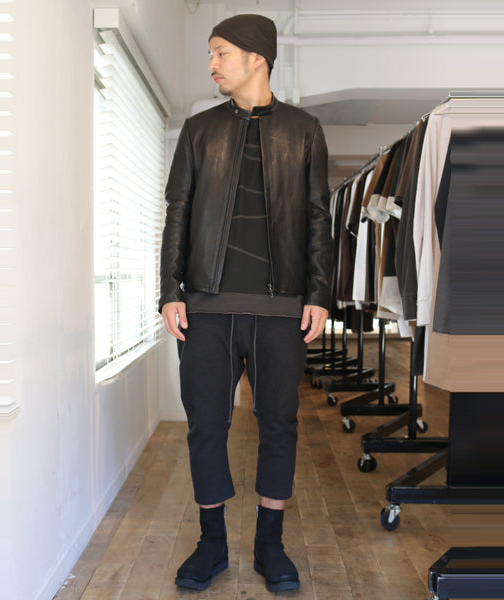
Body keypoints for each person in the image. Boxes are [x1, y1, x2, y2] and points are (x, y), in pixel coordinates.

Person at [159, 13, 333, 593]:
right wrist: (169, 291)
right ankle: (211, 544)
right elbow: (178, 212)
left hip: (281, 311)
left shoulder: (304, 130)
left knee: (279, 424)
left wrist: (319, 293)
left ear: (257, 57)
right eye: (211, 54)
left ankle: (269, 544)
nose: (211, 64)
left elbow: (317, 217)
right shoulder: (199, 130)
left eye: (221, 53)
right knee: (205, 425)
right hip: (205, 308)